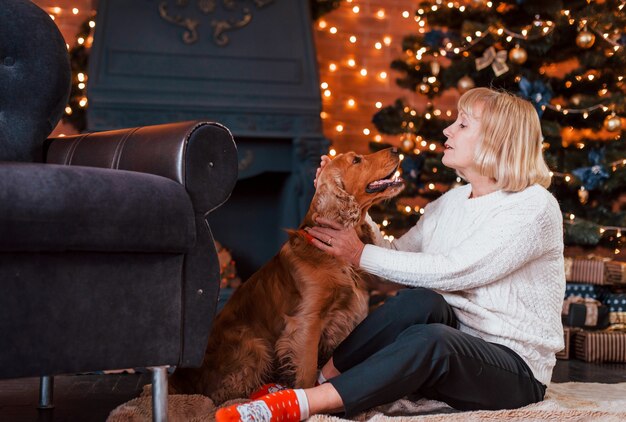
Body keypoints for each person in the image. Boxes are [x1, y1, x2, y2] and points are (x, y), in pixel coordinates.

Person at [216, 87, 566, 422]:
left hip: (514, 369)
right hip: (458, 339)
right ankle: (323, 379)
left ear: (497, 140)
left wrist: (357, 253)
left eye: (462, 124)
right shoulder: (451, 203)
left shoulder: (533, 207)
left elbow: (457, 270)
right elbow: (393, 259)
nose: (448, 129)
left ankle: (300, 403)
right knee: (419, 303)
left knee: (431, 340)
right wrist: (353, 198)